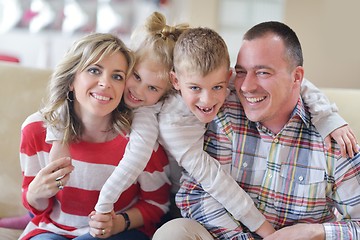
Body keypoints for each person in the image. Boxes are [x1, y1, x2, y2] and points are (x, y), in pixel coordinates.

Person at [153, 21, 360, 240]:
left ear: (296, 77)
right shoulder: (221, 107)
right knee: (173, 233)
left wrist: (314, 232)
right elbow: (196, 194)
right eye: (241, 72)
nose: (246, 86)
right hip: (228, 236)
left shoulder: (333, 140)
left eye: (262, 72)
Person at [19, 32, 171, 240]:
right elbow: (38, 208)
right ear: (71, 80)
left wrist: (120, 222)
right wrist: (34, 193)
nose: (105, 83)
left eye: (117, 76)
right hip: (54, 228)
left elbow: (158, 203)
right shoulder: (35, 130)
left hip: (120, 232)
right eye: (94, 70)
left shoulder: (140, 142)